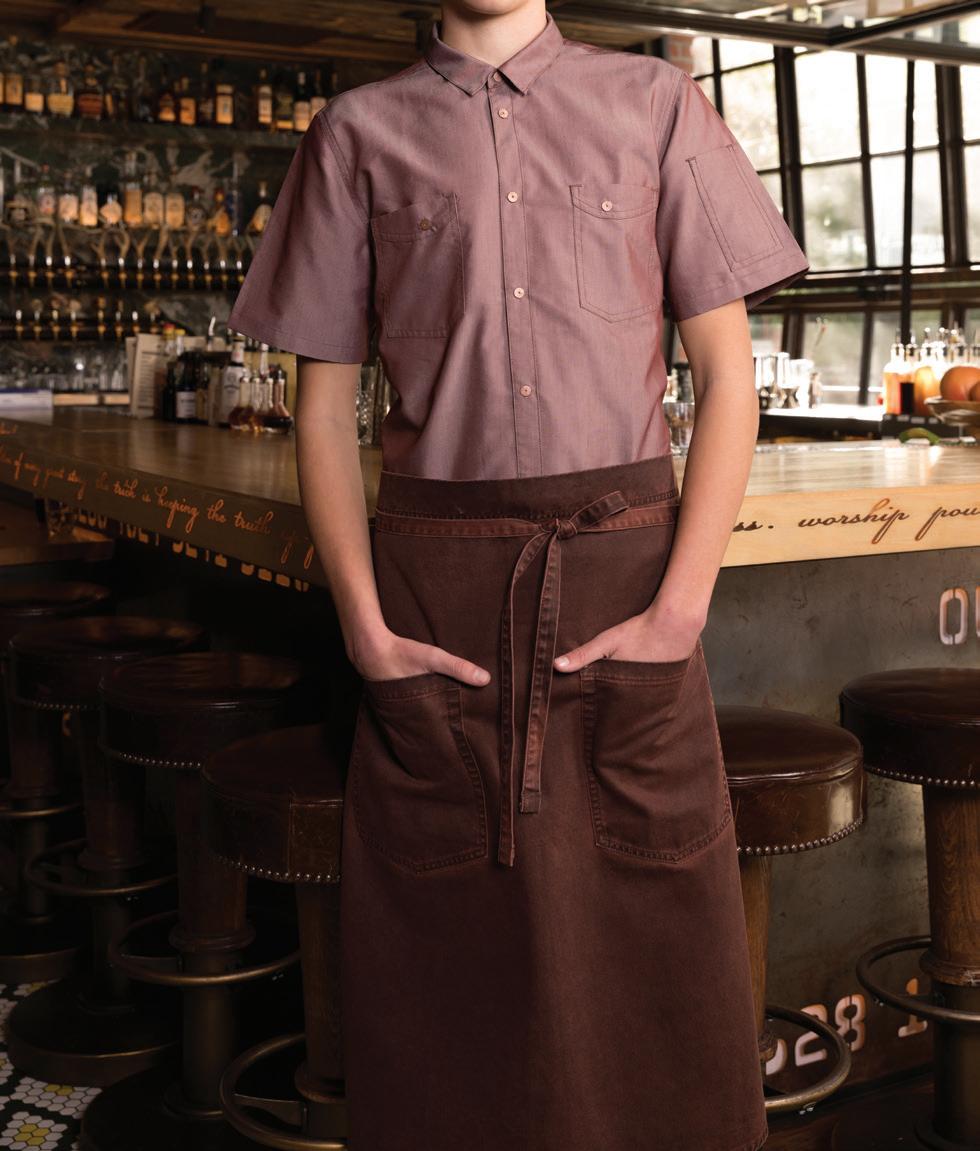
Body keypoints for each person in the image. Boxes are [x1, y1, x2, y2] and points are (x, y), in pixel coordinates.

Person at [227, 2, 810, 1148]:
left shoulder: (654, 102)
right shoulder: (353, 133)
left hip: (626, 586)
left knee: (657, 978)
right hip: (432, 605)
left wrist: (678, 610)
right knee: (447, 988)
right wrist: (364, 630)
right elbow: (323, 407)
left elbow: (726, 376)